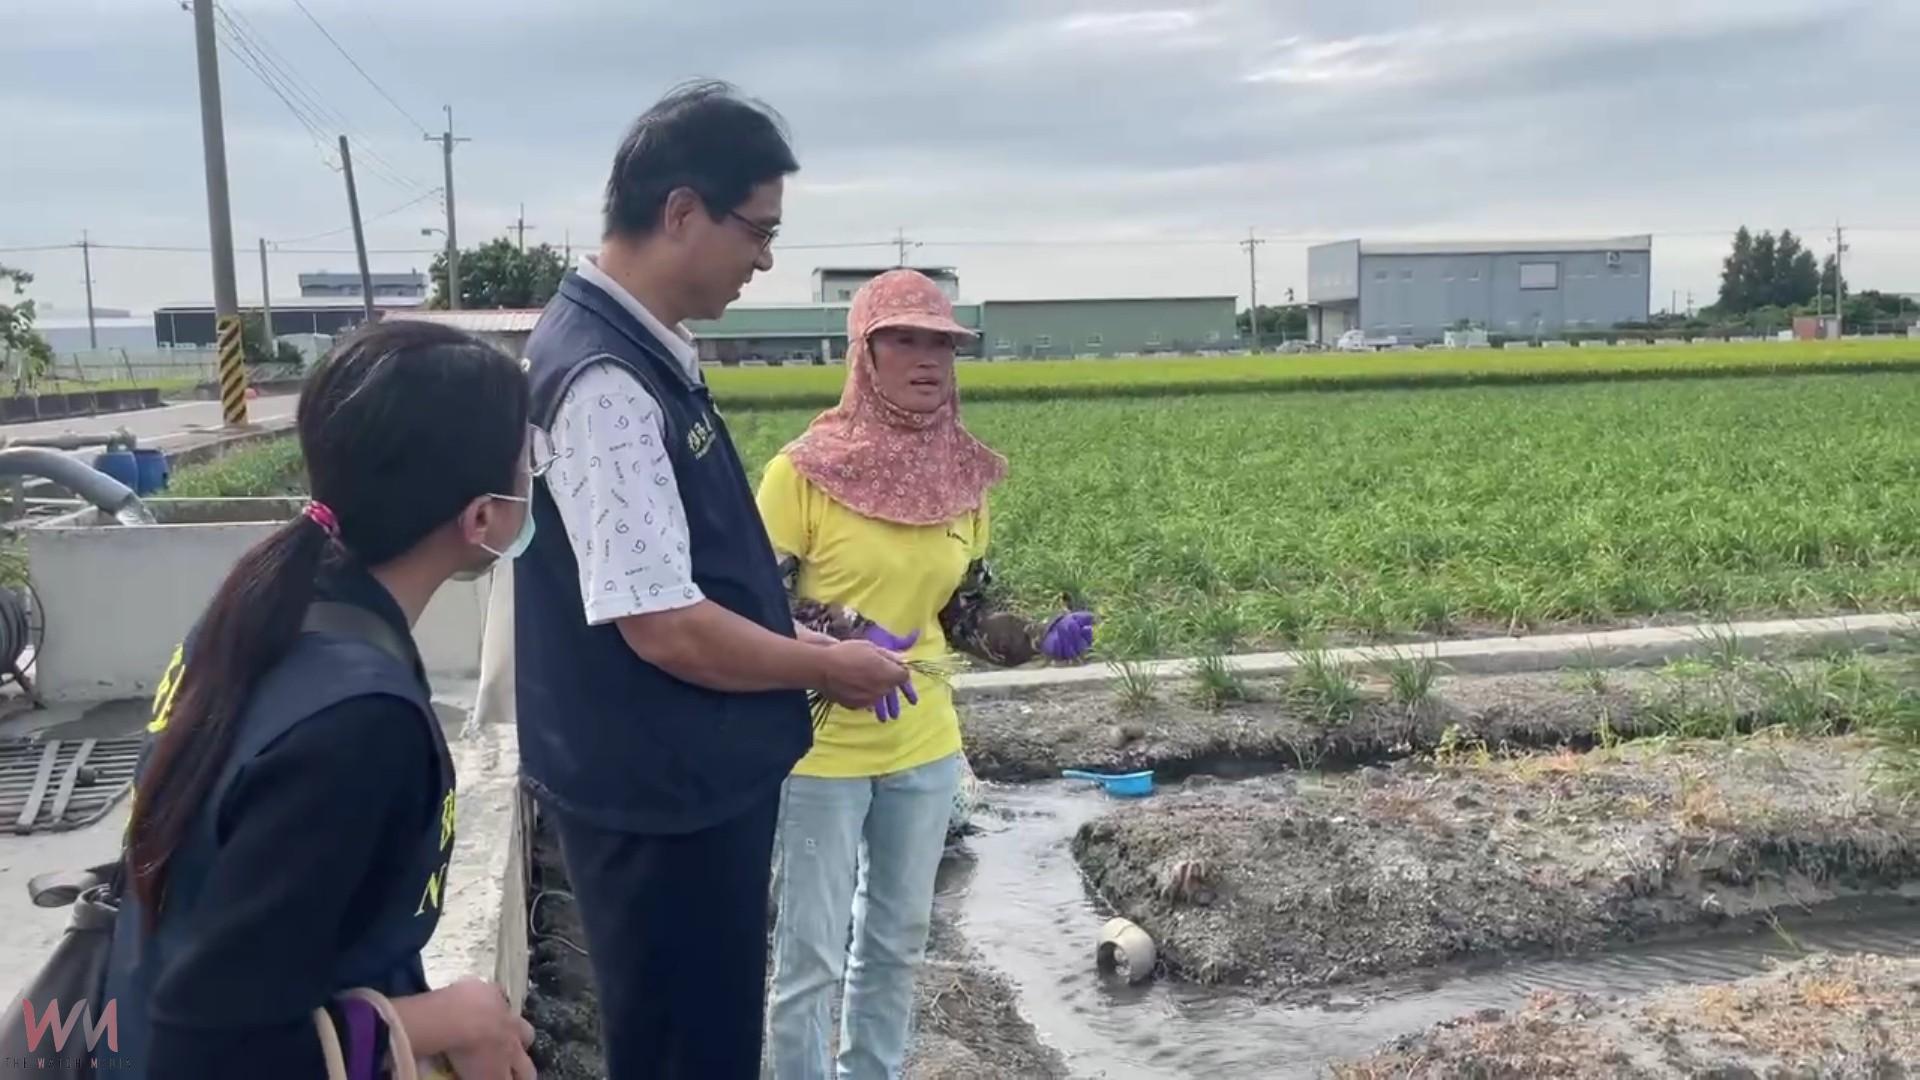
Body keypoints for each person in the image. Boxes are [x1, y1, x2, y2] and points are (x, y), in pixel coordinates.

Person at [513, 81, 912, 1079]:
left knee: (700, 1033)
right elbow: (665, 626)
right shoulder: (603, 382)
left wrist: (801, 638)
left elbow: (682, 576)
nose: (766, 259)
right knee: (687, 1049)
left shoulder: (640, 352)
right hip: (659, 793)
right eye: (758, 231)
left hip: (676, 781)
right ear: (682, 210)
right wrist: (824, 671)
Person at [101, 321, 539, 1079]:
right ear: (480, 517)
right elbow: (206, 1049)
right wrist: (445, 1019)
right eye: (531, 463)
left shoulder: (265, 610)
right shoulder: (356, 725)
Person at [760, 269, 1096, 1080]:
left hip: (923, 745)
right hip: (820, 751)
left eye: (941, 342)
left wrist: (1033, 638)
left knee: (895, 943)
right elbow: (752, 609)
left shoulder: (962, 480)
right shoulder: (801, 473)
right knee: (808, 953)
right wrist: (841, 636)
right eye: (903, 339)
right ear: (863, 354)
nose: (926, 358)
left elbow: (966, 613)